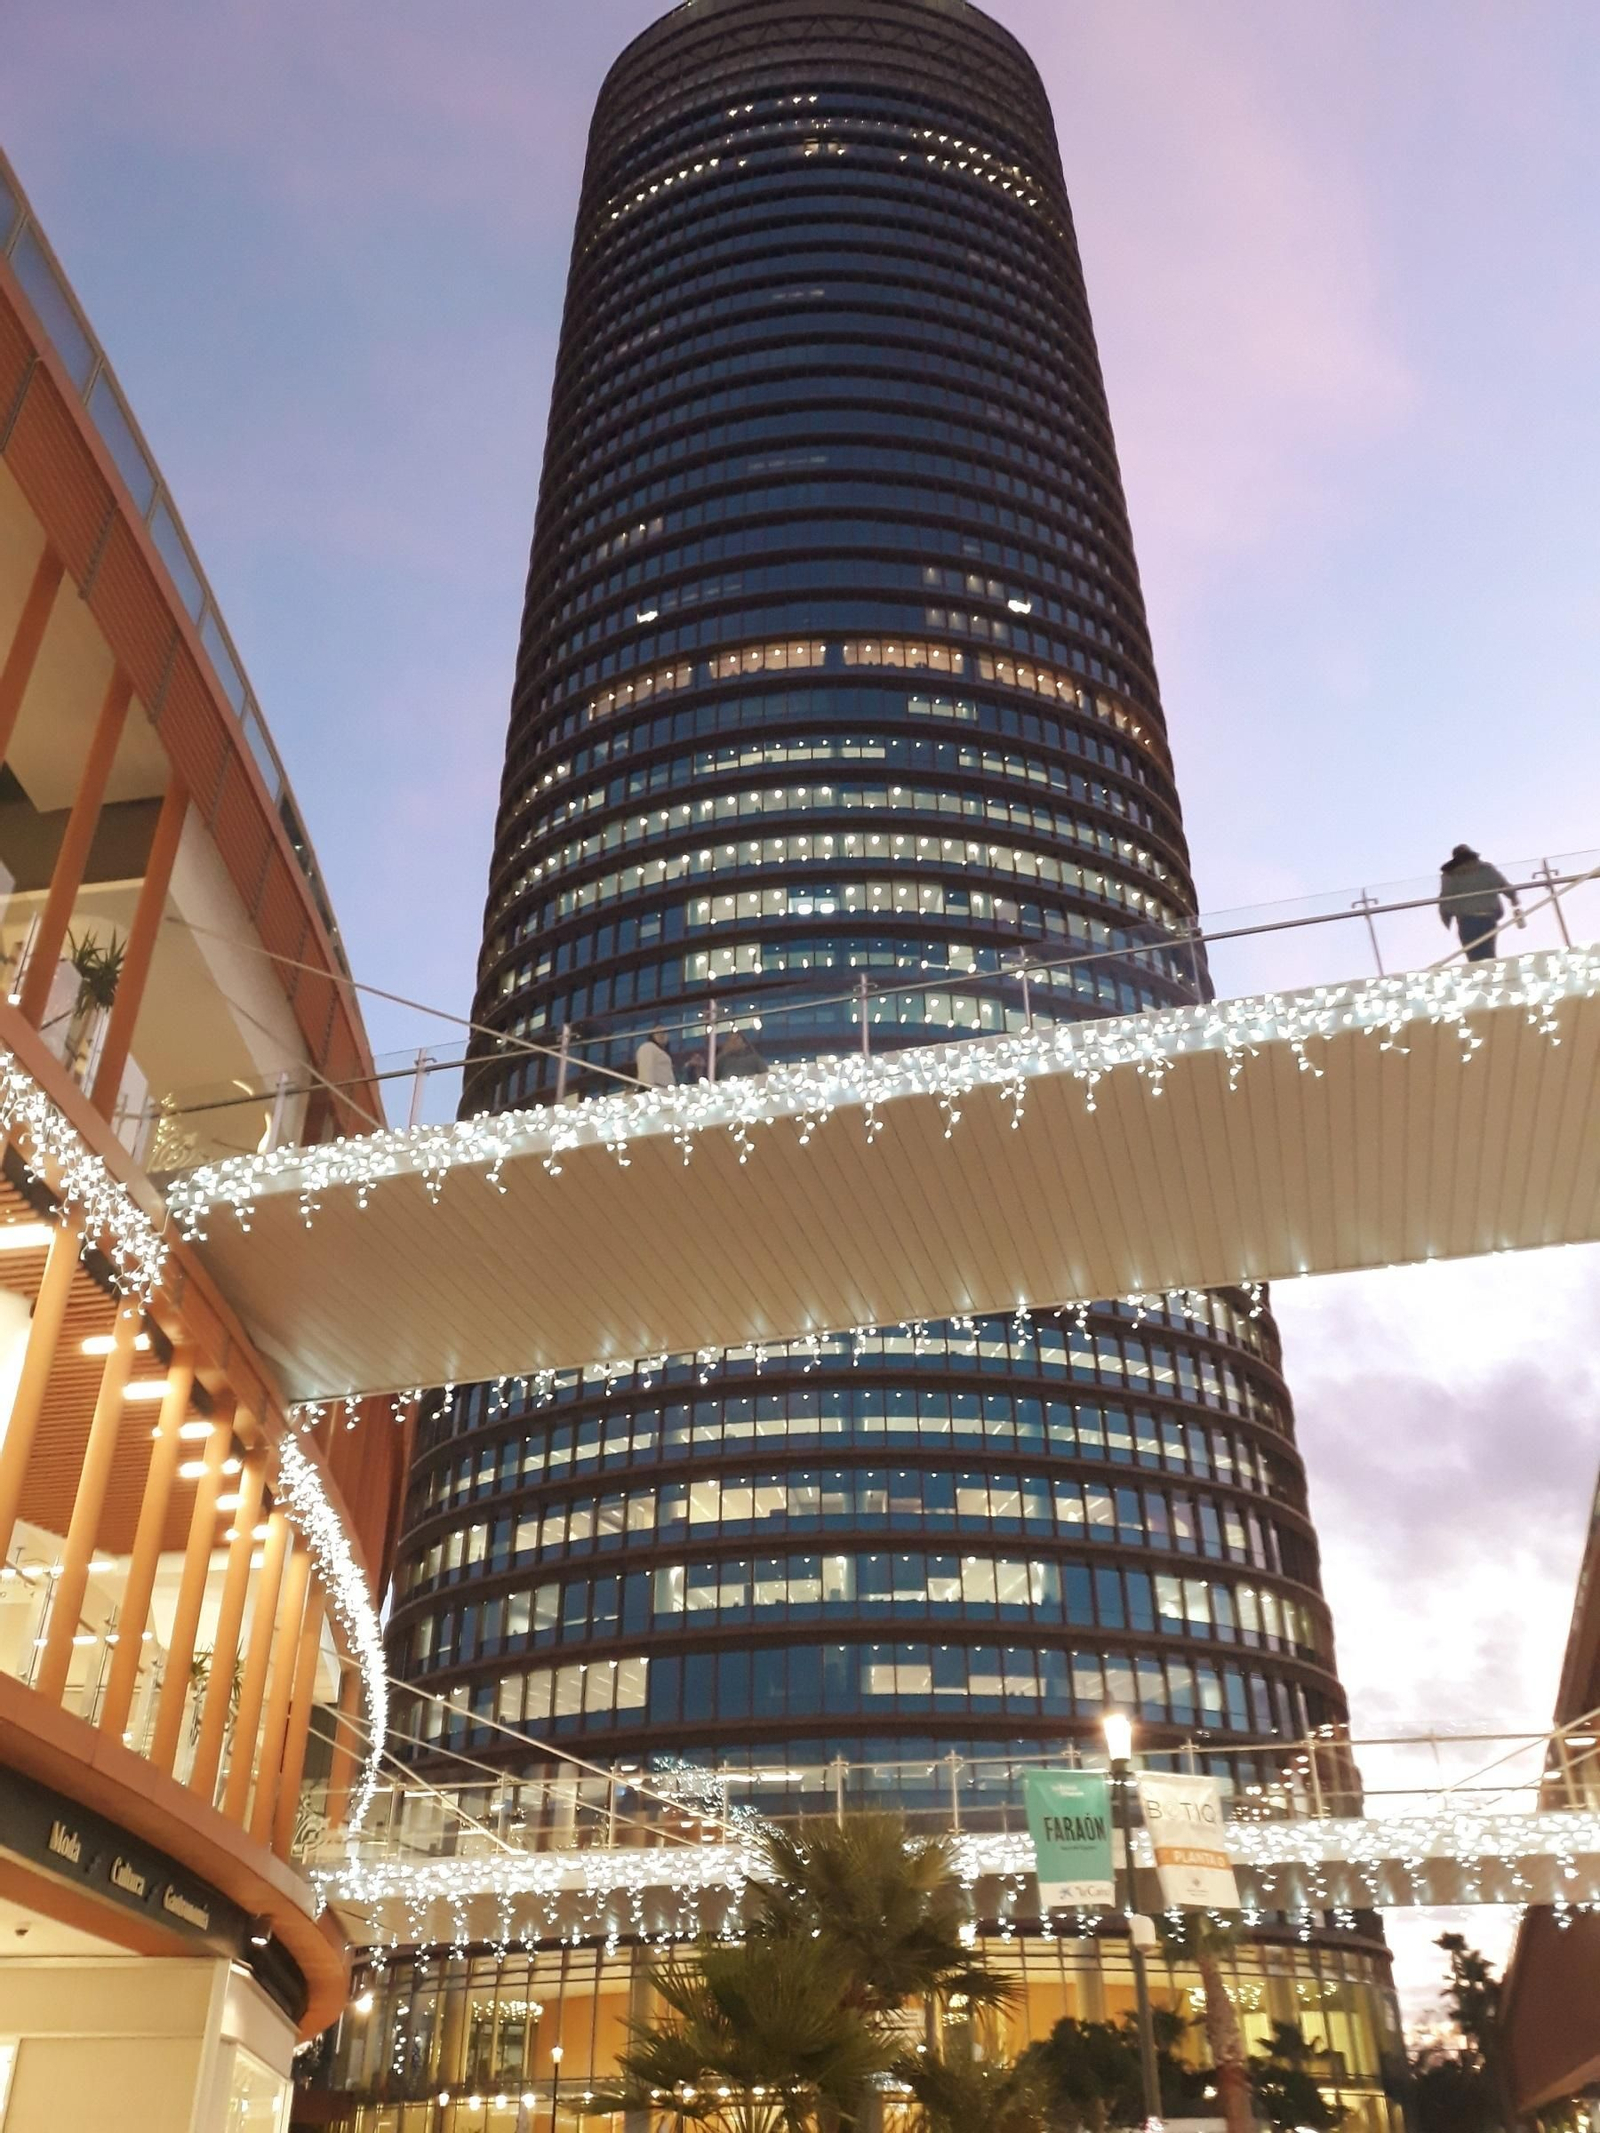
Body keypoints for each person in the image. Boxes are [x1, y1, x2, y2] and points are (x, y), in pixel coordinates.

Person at [1438, 844, 1522, 962]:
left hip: (1466, 921)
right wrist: (1513, 899)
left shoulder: (1450, 875)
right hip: (1488, 918)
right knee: (1489, 955)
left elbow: (1445, 899)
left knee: (1473, 958)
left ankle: (1480, 971)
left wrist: (1446, 918)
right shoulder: (1487, 869)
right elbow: (1504, 886)